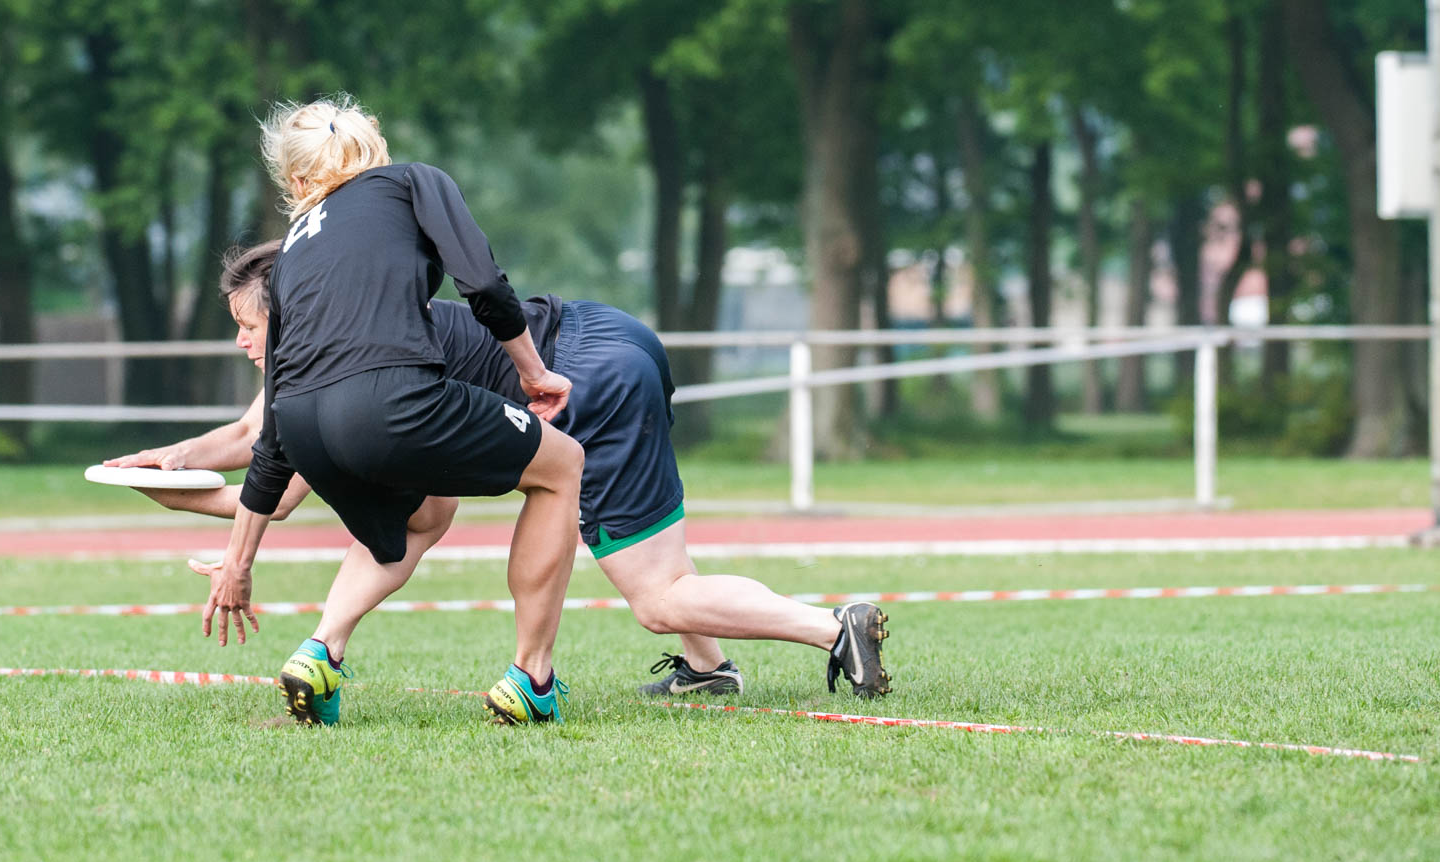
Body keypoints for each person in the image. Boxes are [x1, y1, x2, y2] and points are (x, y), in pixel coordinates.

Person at [106, 245, 893, 724]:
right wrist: (164, 458)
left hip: (583, 380)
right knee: (435, 515)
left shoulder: (329, 361)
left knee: (655, 594)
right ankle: (708, 666)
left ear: (297, 312)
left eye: (250, 323)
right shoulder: (343, 331)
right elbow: (249, 436)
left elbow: (272, 486)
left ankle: (835, 628)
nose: (244, 339)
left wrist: (147, 488)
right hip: (604, 335)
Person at [198, 96, 584, 727]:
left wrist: (238, 564)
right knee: (562, 464)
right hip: (388, 403)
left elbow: (272, 433)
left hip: (305, 429)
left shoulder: (291, 249)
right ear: (371, 148)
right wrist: (533, 371)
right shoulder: (411, 182)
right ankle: (534, 678)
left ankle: (321, 653)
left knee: (422, 515)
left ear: (298, 181)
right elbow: (483, 284)